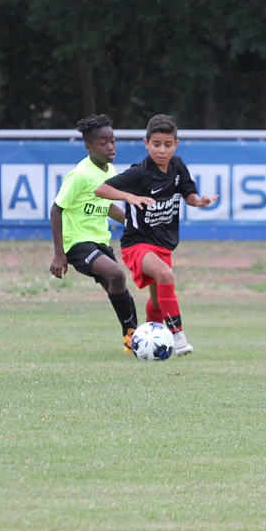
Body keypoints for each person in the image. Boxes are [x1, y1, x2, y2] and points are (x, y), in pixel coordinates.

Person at [94, 114, 218, 355]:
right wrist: (130, 197)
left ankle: (150, 342)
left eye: (168, 144)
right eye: (156, 144)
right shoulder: (140, 172)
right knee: (165, 275)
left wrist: (198, 201)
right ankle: (178, 336)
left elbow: (189, 195)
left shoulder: (177, 167)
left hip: (163, 243)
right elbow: (101, 189)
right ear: (146, 143)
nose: (162, 150)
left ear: (176, 144)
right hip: (137, 243)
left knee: (159, 301)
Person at [50, 114, 138, 354]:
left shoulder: (110, 171)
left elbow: (107, 206)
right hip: (77, 244)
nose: (110, 147)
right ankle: (133, 335)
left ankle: (132, 338)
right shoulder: (80, 174)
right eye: (103, 143)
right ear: (89, 147)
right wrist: (59, 254)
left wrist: (133, 222)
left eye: (112, 141)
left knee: (116, 284)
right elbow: (56, 209)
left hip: (100, 242)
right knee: (117, 274)